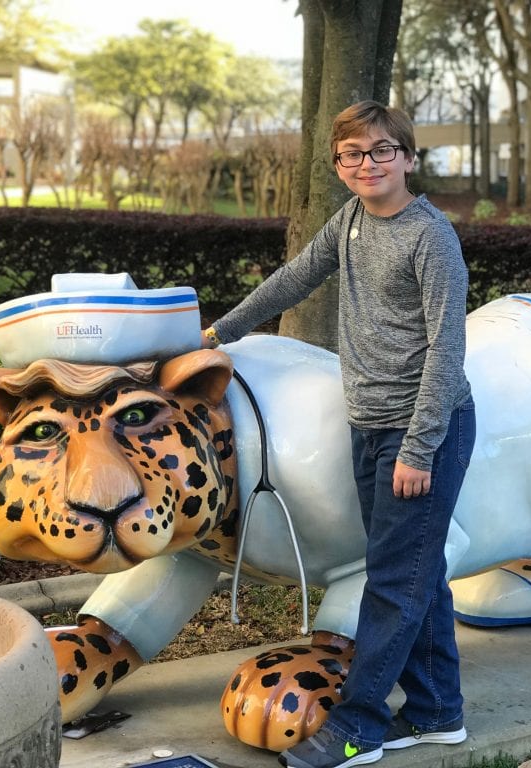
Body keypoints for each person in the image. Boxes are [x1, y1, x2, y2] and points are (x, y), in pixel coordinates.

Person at [202, 100, 476, 768]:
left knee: (392, 583)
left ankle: (357, 727)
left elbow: (447, 351)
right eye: (352, 154)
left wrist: (419, 448)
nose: (366, 164)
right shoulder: (349, 220)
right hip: (369, 424)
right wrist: (217, 334)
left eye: (382, 150)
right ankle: (438, 712)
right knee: (415, 574)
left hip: (423, 430)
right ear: (338, 165)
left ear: (408, 158)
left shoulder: (430, 236)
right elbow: (291, 281)